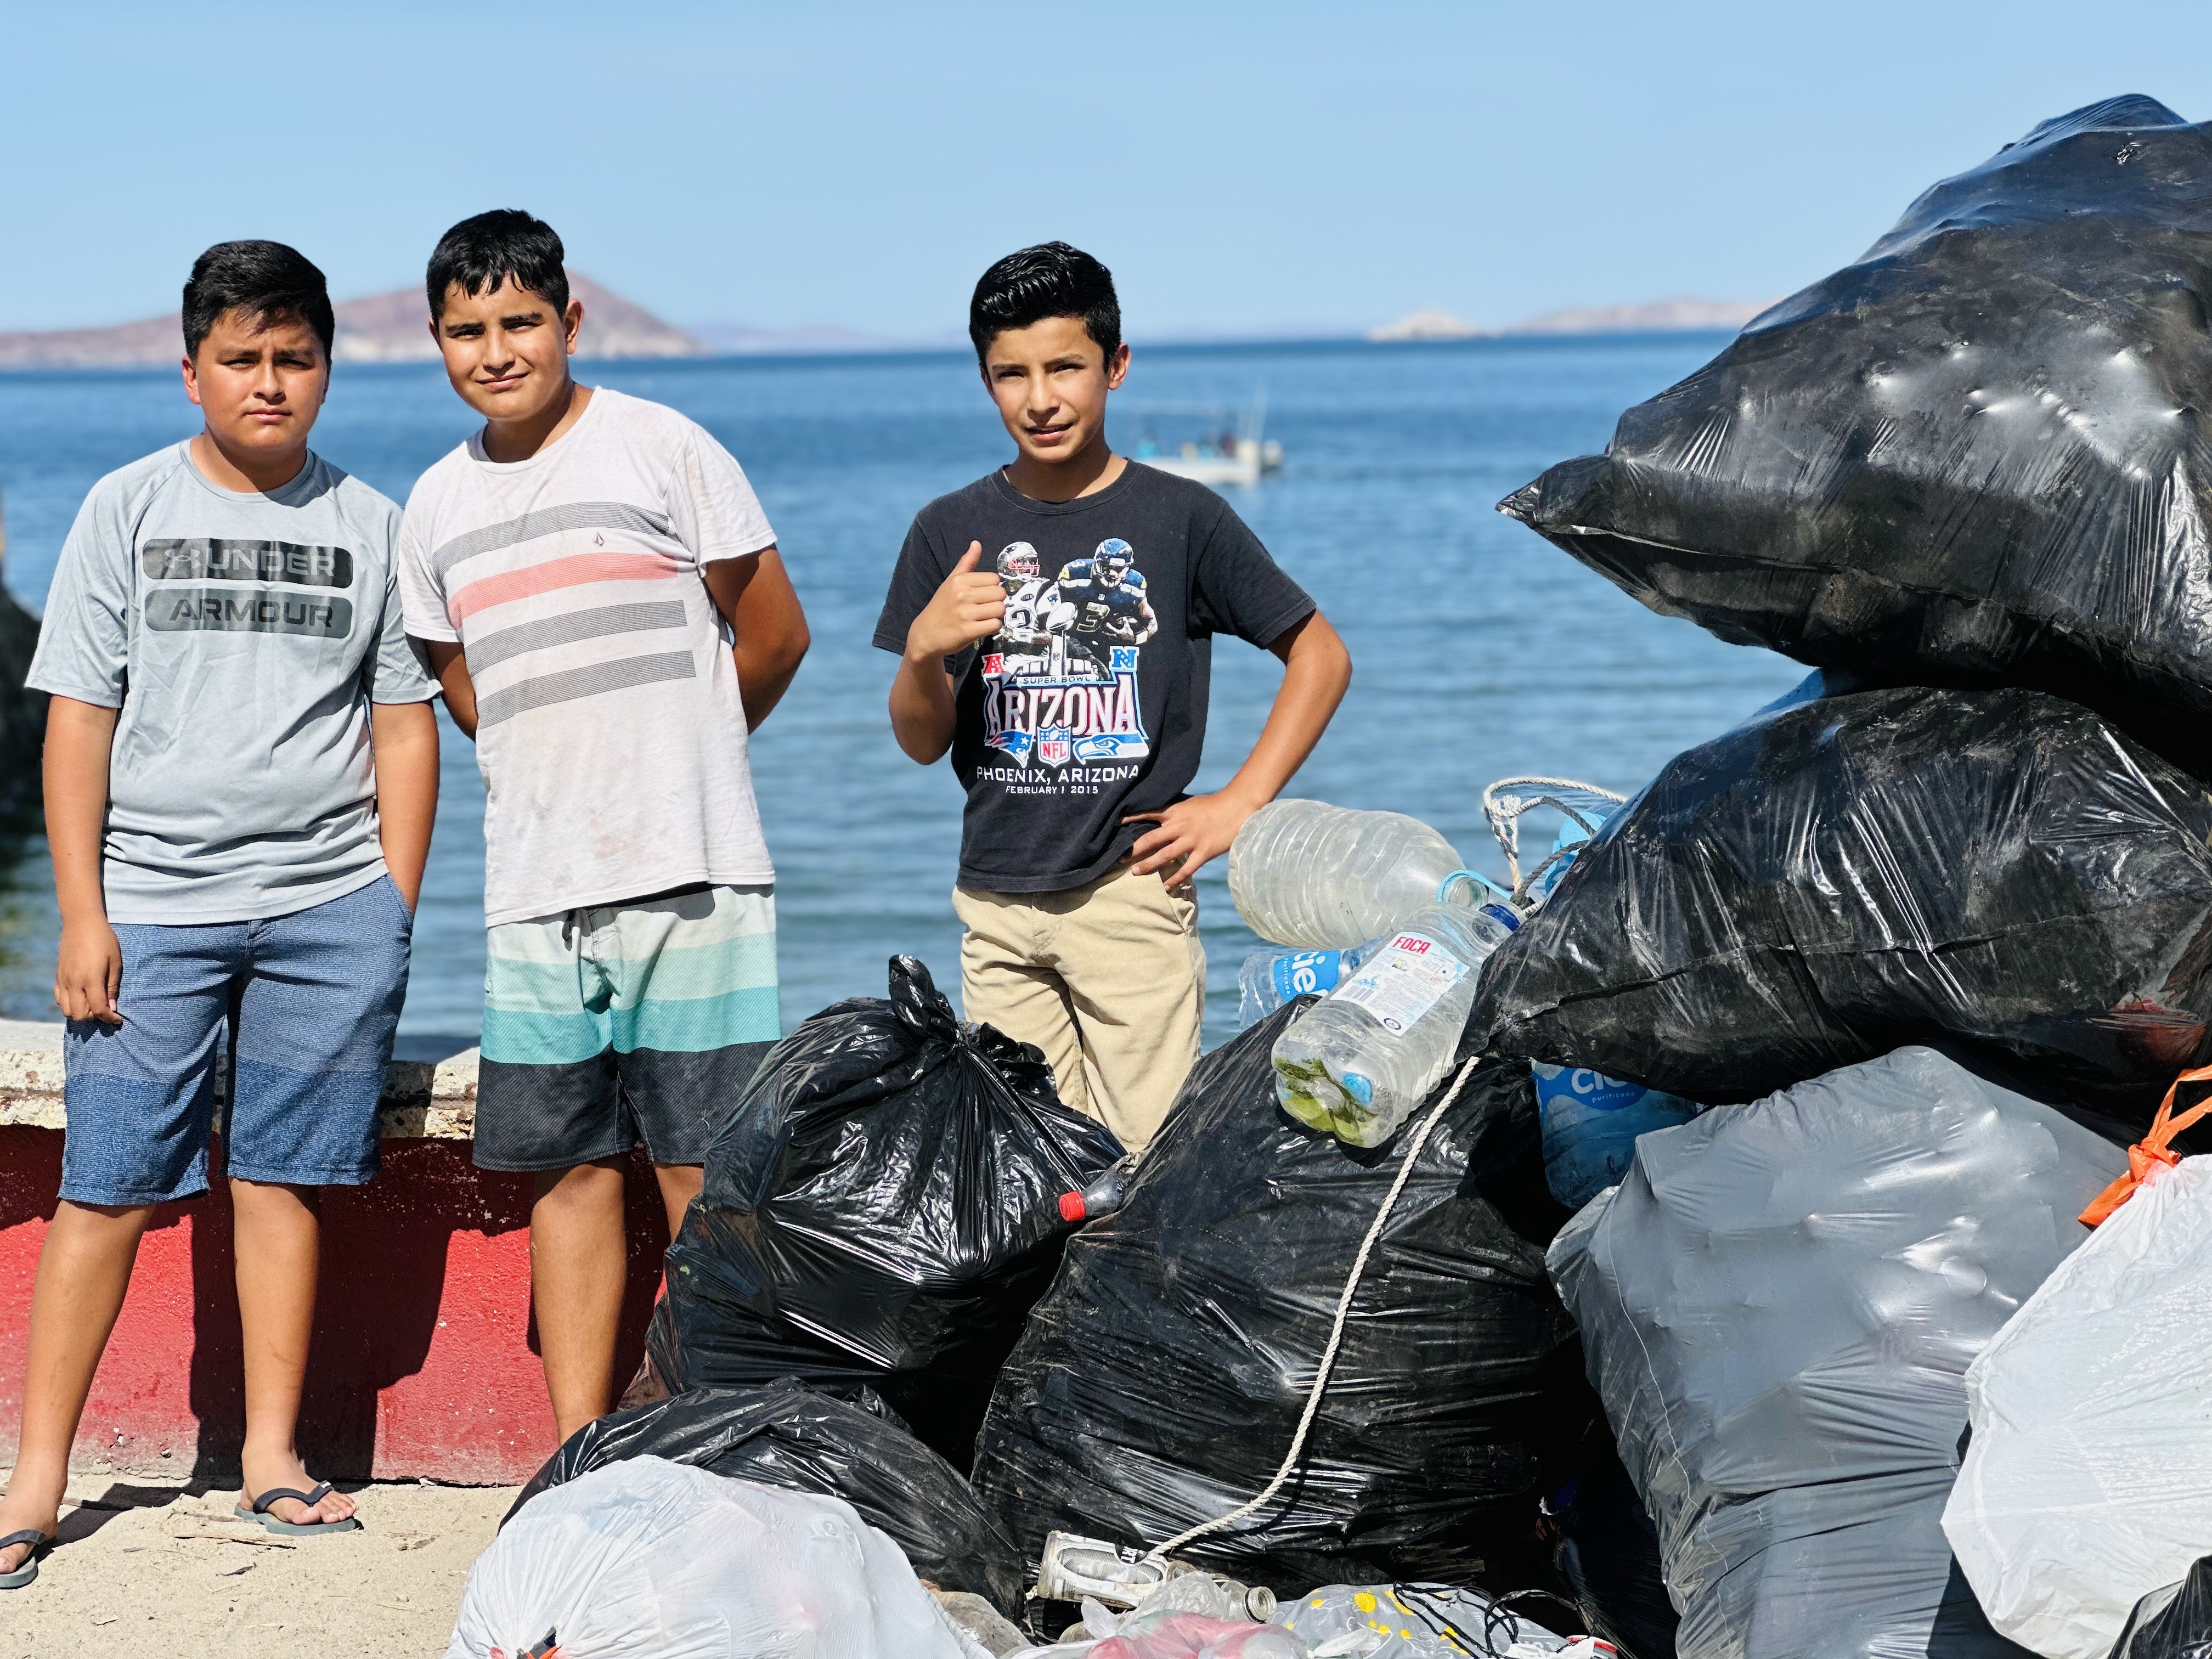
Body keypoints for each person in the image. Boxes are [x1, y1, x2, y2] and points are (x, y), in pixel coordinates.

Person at [0, 241, 441, 1584]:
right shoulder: (126, 510)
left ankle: (269, 1461)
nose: (270, 383)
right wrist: (84, 911)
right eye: (242, 360)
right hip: (154, 911)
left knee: (284, 1182)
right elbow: (77, 719)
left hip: (325, 910)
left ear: (326, 370)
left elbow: (403, 725)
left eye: (294, 359)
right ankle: (34, 1481)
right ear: (192, 370)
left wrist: (391, 910)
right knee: (108, 1188)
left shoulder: (374, 522)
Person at [397, 210, 809, 1444]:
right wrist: (555, 774)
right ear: (437, 342)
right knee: (564, 1173)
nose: (497, 350)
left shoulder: (662, 447)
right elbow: (463, 683)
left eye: (521, 322)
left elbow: (775, 635)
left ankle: (721, 1427)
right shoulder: (434, 505)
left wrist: (683, 754)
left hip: (694, 875)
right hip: (534, 893)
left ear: (571, 322)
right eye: (468, 330)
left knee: (704, 1174)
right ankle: (579, 1442)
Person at [874, 242, 1352, 1154]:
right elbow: (920, 741)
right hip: (995, 903)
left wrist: (1237, 806)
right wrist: (925, 652)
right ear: (984, 380)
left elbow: (1320, 656)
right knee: (1030, 1165)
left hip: (1129, 897)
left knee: (1147, 1154)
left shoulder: (1181, 518)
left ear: (1116, 367)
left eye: (1066, 368)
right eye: (1011, 375)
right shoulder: (947, 530)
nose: (1041, 398)